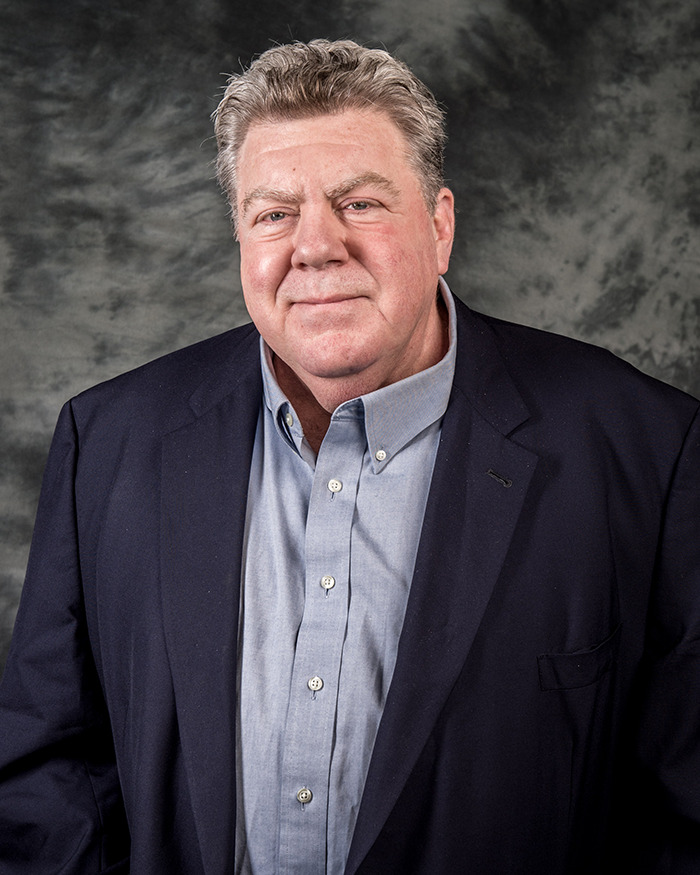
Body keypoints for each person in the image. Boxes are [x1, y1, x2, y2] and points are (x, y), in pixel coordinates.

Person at [0, 38, 698, 875]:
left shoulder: (648, 454)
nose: (315, 245)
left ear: (439, 225)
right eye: (274, 213)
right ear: (240, 235)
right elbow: (50, 775)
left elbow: (680, 813)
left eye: (360, 203)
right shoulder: (108, 442)